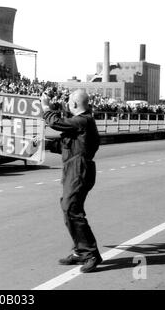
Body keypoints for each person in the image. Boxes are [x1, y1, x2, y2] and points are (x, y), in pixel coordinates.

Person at [40, 89, 102, 273]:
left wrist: (46, 107)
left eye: (68, 102)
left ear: (74, 104)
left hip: (79, 171)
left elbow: (55, 122)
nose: (66, 104)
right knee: (70, 209)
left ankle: (91, 254)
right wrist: (43, 144)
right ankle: (79, 251)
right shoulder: (81, 123)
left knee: (71, 209)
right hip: (74, 170)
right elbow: (66, 145)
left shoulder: (83, 120)